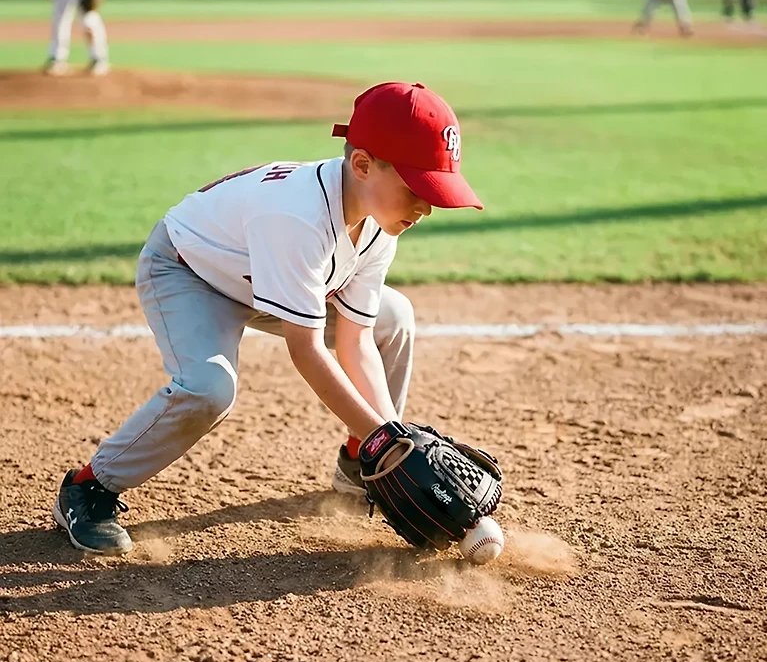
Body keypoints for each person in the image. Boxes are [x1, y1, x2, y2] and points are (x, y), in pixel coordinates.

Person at [52, 81, 483, 556]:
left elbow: (357, 341)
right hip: (190, 272)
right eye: (416, 188)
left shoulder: (381, 220)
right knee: (208, 389)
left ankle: (360, 464)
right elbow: (307, 350)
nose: (425, 207)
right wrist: (389, 440)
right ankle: (89, 486)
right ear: (362, 165)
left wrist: (388, 440)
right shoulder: (298, 216)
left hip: (264, 276)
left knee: (391, 317)